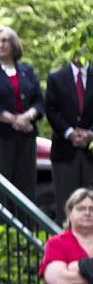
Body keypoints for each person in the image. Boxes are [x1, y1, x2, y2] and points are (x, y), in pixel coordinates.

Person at [0, 27, 44, 203]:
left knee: (25, 188)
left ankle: (24, 229)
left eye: (5, 40)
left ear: (14, 45)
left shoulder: (27, 71)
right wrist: (15, 120)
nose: (1, 44)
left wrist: (27, 117)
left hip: (25, 137)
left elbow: (39, 101)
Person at [46, 55, 93, 219]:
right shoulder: (56, 78)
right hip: (64, 153)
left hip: (90, 153)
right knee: (66, 208)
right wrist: (69, 133)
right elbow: (51, 110)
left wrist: (90, 134)